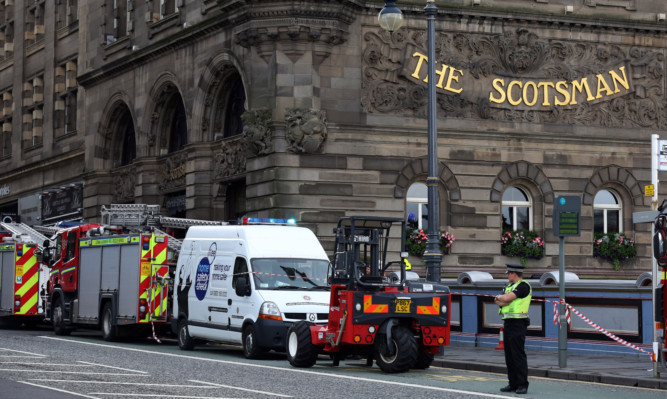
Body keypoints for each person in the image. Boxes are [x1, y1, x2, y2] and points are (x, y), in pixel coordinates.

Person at [493, 263, 531, 395]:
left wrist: (501, 298)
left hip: (518, 323)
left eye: (508, 273)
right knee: (509, 355)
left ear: (514, 273)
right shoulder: (510, 286)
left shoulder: (523, 286)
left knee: (518, 354)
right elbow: (500, 302)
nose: (507, 275)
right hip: (508, 322)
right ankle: (513, 383)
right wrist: (501, 299)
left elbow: (506, 298)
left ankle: (522, 384)